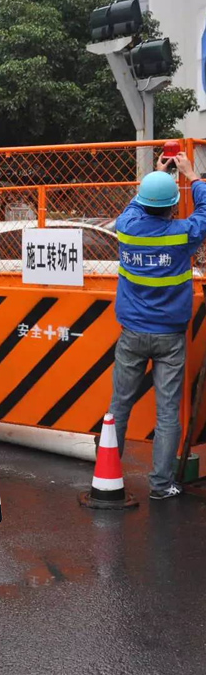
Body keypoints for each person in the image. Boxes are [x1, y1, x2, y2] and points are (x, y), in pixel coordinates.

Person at [110, 151, 206, 499]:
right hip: (170, 336)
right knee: (167, 412)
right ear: (171, 206)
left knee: (119, 404)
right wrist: (192, 176)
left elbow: (134, 208)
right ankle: (161, 485)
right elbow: (205, 214)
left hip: (132, 333)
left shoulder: (127, 229)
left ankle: (109, 472)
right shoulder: (181, 235)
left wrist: (156, 175)